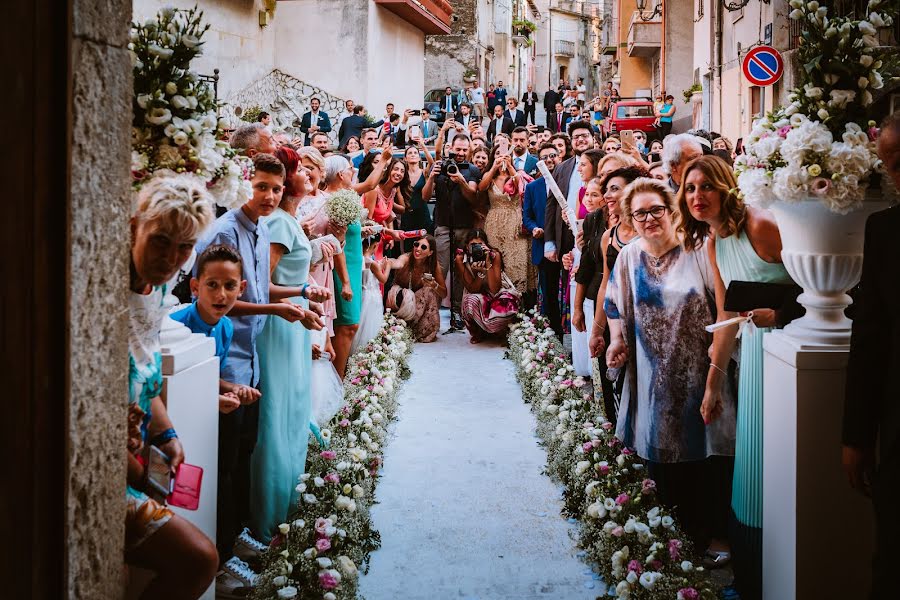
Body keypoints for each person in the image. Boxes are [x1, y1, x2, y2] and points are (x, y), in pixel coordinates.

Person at [194, 155, 312, 588]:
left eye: (276, 189)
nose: (268, 196)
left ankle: (237, 537)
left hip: (252, 359)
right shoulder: (226, 231)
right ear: (247, 185)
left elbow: (259, 290)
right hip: (227, 362)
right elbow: (219, 300)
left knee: (243, 455)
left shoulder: (263, 229)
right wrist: (276, 308)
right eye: (261, 187)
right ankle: (220, 561)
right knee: (223, 464)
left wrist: (298, 294)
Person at [680, 155, 793, 598]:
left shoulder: (761, 226)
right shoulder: (713, 242)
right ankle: (754, 574)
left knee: (781, 459)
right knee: (753, 460)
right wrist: (712, 384)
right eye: (689, 189)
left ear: (726, 186)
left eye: (706, 186)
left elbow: (816, 285)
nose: (697, 196)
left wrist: (780, 313)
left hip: (787, 352)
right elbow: (727, 317)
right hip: (751, 359)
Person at [605, 177, 736, 549]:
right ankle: (672, 544)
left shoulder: (698, 249)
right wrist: (616, 339)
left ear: (672, 210)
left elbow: (725, 306)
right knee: (663, 460)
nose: (649, 219)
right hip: (652, 376)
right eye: (640, 213)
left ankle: (713, 537)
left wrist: (718, 363)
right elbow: (614, 302)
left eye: (656, 210)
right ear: (630, 218)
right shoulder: (629, 255)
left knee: (707, 452)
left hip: (700, 372)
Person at [126, 175, 219, 600]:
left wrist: (167, 434)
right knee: (199, 559)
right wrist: (134, 469)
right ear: (134, 227)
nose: (171, 258)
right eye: (160, 240)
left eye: (184, 247)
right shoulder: (101, 289)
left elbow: (145, 379)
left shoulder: (159, 285)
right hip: (111, 461)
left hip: (141, 445)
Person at [250, 147, 325, 560]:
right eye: (301, 169)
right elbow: (260, 286)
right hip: (279, 326)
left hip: (294, 322)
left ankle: (288, 505)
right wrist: (300, 294)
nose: (307, 174)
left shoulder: (289, 218)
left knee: (294, 410)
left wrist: (305, 296)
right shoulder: (278, 221)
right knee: (276, 417)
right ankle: (269, 518)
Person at [843, 111, 900, 599]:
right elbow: (870, 338)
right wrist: (856, 436)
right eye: (889, 165)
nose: (895, 175)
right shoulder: (884, 231)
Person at [587, 166, 647, 423]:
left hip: (646, 320)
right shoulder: (607, 237)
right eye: (606, 190)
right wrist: (597, 331)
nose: (608, 195)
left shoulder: (650, 229)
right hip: (616, 320)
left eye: (615, 188)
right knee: (621, 386)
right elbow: (605, 286)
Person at [171, 245, 257, 415]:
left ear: (241, 288)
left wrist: (234, 387)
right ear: (195, 287)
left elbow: (209, 376)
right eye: (212, 285)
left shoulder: (225, 327)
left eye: (230, 285)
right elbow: (166, 385)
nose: (221, 295)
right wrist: (211, 399)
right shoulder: (175, 326)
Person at [422, 134, 481, 330]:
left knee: (460, 269)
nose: (461, 153)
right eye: (458, 149)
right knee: (440, 268)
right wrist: (431, 176)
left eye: (465, 149)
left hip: (464, 225)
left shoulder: (472, 169)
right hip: (442, 224)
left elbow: (473, 198)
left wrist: (461, 181)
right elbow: (425, 197)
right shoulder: (439, 166)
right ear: (451, 147)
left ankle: (457, 311)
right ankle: (433, 311)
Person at [544, 120, 594, 333]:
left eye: (584, 135)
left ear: (593, 138)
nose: (580, 140)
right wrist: (549, 242)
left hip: (593, 233)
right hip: (565, 234)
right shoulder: (562, 168)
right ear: (570, 142)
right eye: (576, 137)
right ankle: (567, 336)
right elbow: (551, 204)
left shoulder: (603, 163)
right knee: (566, 287)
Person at [479, 144, 529, 293]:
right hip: (494, 223)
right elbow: (481, 187)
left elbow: (520, 185)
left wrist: (510, 167)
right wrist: (494, 168)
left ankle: (518, 303)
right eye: (497, 154)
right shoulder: (489, 175)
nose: (501, 156)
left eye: (505, 154)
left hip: (514, 223)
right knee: (495, 261)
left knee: (516, 264)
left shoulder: (516, 173)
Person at [456, 229, 519, 343]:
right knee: (469, 301)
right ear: (466, 246)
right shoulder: (461, 259)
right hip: (478, 293)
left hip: (497, 292)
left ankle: (500, 331)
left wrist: (488, 263)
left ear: (486, 245)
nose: (477, 249)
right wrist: (480, 274)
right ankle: (478, 332)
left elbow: (495, 289)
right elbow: (472, 289)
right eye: (473, 245)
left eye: (480, 245)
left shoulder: (494, 255)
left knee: (507, 303)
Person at [523, 142, 562, 321]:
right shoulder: (533, 187)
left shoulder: (567, 181)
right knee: (549, 294)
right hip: (544, 245)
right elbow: (527, 216)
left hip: (566, 245)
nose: (549, 160)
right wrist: (534, 228)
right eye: (544, 157)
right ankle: (553, 334)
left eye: (552, 155)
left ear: (559, 156)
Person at [384, 235, 447, 342]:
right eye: (416, 245)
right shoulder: (406, 258)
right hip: (401, 301)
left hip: (419, 306)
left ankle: (418, 329)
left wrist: (434, 285)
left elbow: (444, 294)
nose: (418, 249)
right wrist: (389, 263)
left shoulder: (433, 265)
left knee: (429, 291)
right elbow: (398, 263)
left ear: (430, 252)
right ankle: (402, 327)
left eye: (423, 247)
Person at [401, 142, 436, 251]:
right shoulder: (402, 173)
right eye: (410, 153)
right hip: (407, 214)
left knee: (424, 245)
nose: (413, 154)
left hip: (422, 214)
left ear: (419, 157)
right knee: (408, 248)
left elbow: (432, 163)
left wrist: (423, 146)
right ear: (405, 158)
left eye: (415, 153)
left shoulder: (424, 172)